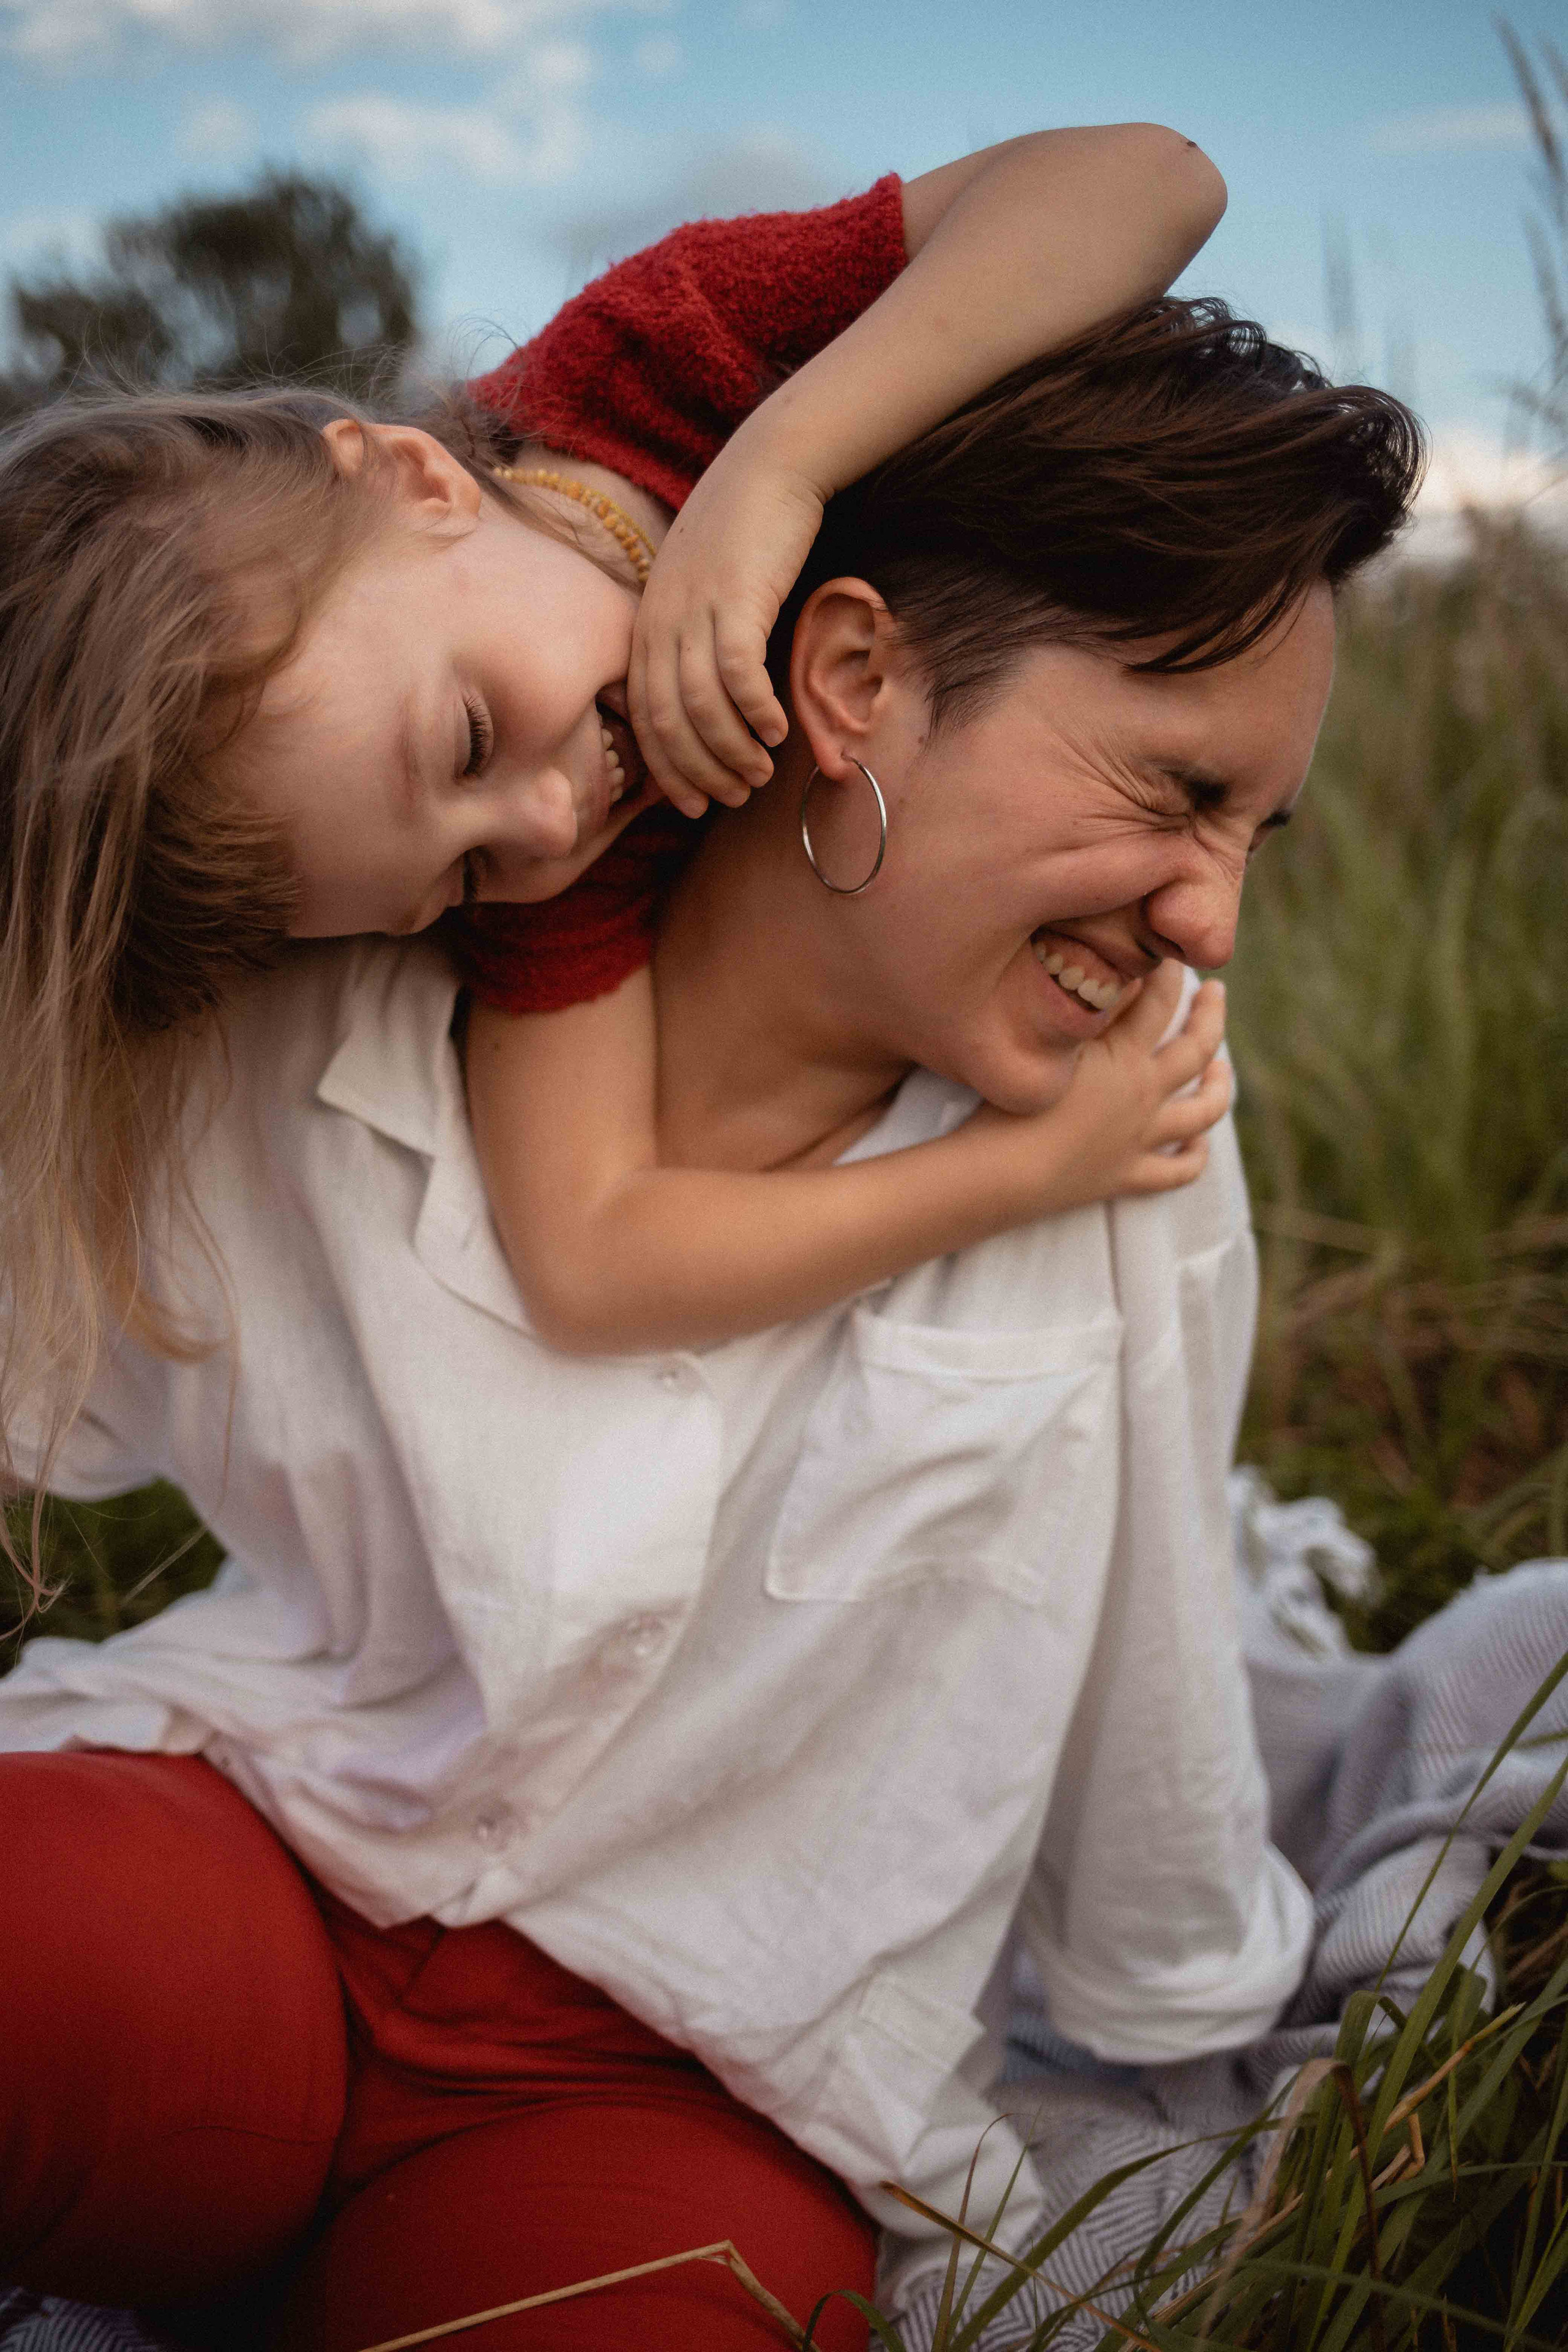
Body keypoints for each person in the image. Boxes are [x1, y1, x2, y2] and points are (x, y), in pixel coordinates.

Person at [0, 227, 1423, 2350]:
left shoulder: (1131, 1144)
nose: (1213, 922)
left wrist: (1188, 2009)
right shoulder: (341, 958)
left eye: (1259, 834)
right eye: (1178, 792)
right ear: (852, 679)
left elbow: (1147, 1649)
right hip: (265, 1862)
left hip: (688, 2067)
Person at [0, 126, 1235, 1551]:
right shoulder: (558, 891)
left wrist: (773, 470)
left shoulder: (651, 364)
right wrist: (1024, 1172)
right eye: (458, 876)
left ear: (412, 484)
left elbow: (1153, 183)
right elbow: (588, 1262)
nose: (547, 822)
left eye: (467, 738)